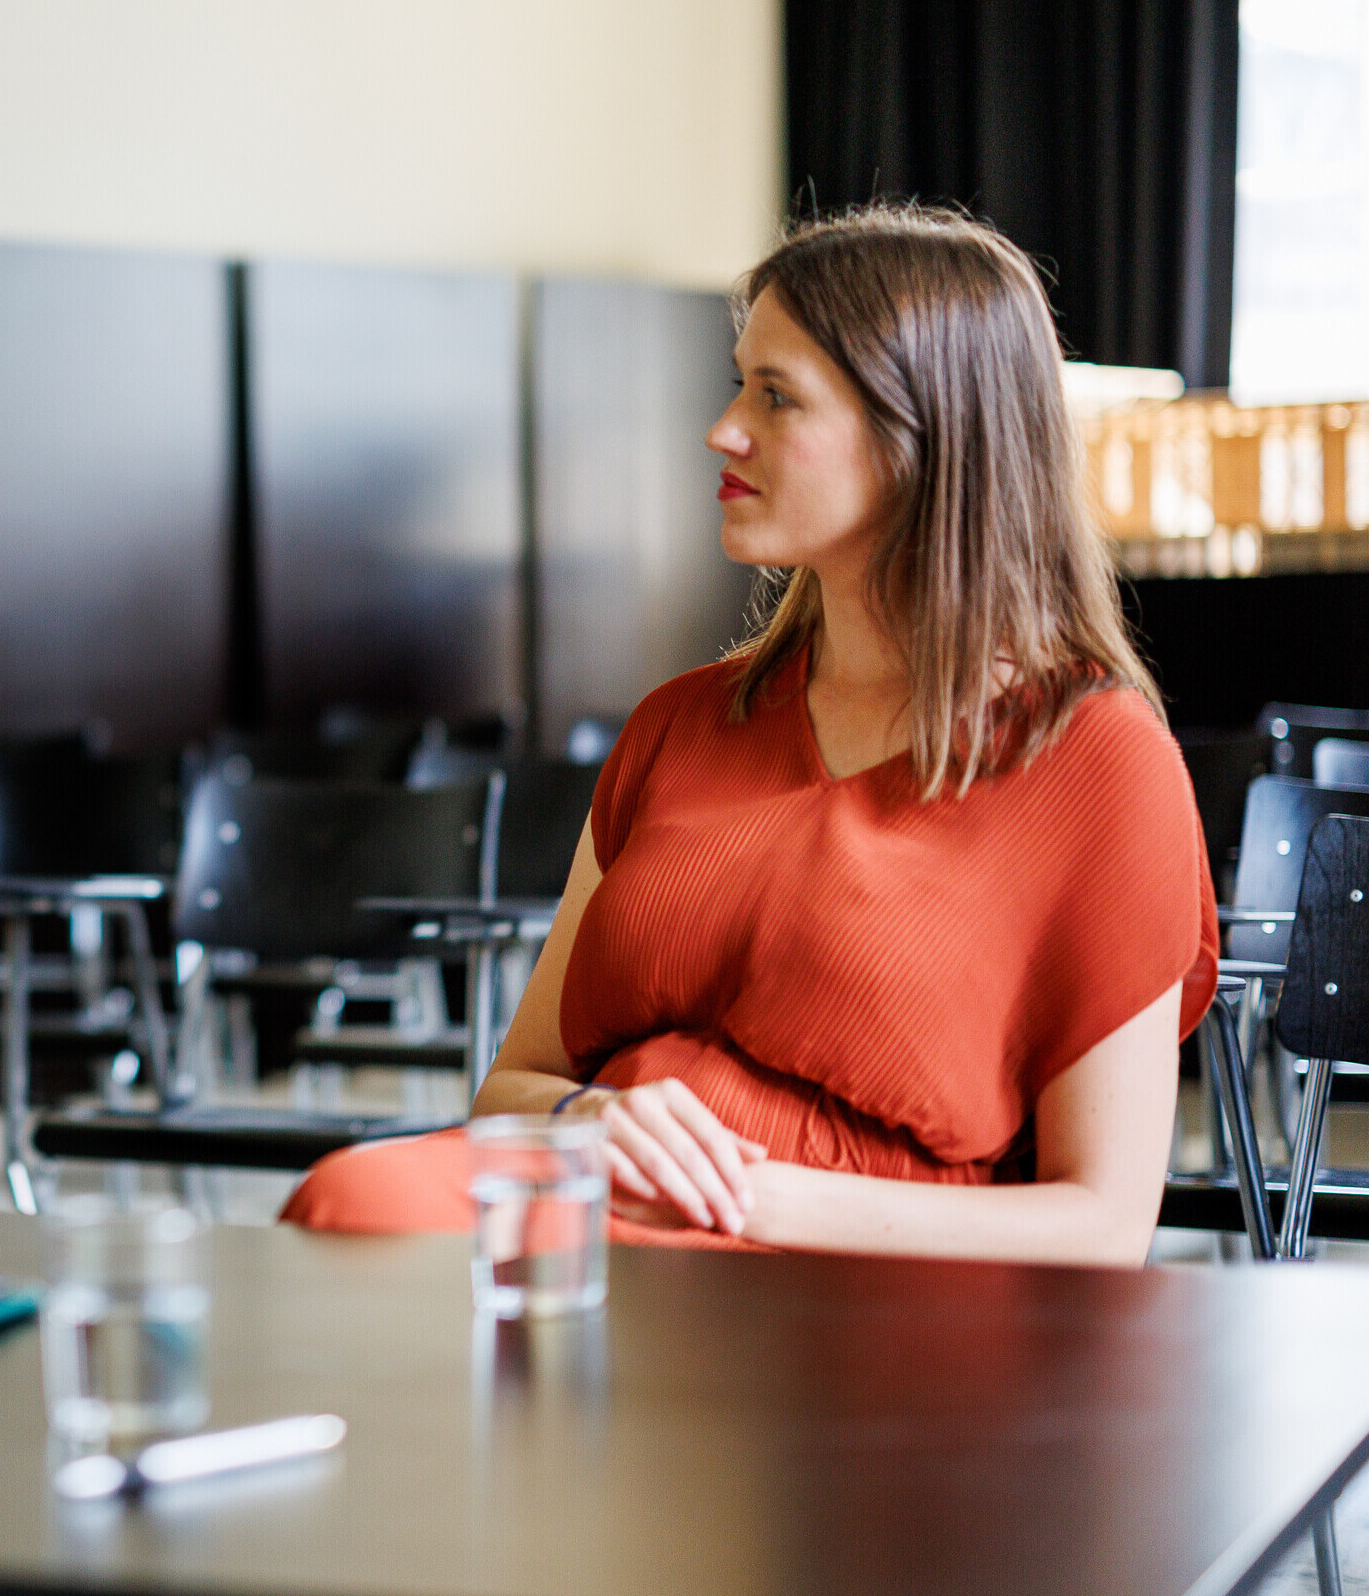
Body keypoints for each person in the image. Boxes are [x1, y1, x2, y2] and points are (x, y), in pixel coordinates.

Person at [282, 205, 1214, 1264]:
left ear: (924, 438)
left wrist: (751, 1198)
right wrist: (588, 1120)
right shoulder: (679, 724)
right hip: (597, 1202)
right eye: (739, 385)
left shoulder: (1097, 761)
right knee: (354, 1198)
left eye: (776, 398)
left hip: (839, 1281)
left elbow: (1102, 1225)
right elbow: (515, 1085)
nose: (724, 429)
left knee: (388, 1230)